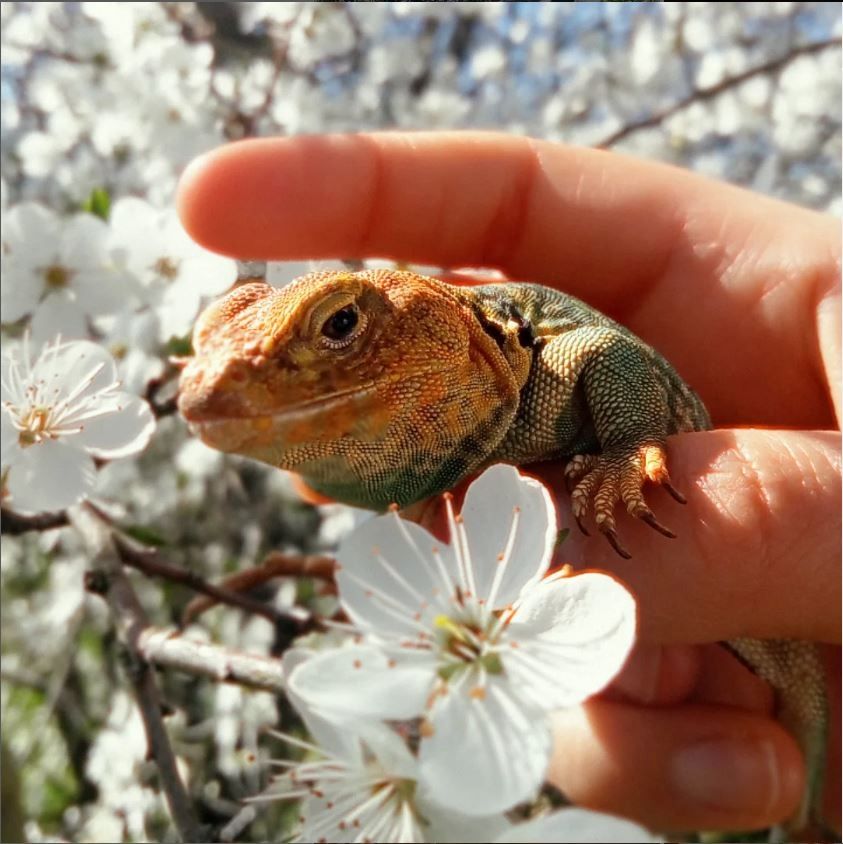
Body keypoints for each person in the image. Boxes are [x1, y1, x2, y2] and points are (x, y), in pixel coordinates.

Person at [177, 132, 840, 834]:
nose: (215, 382)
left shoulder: (536, 379)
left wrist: (628, 447)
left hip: (757, 593)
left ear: (442, 329)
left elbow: (600, 353)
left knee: (797, 723)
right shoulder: (379, 450)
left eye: (340, 325)